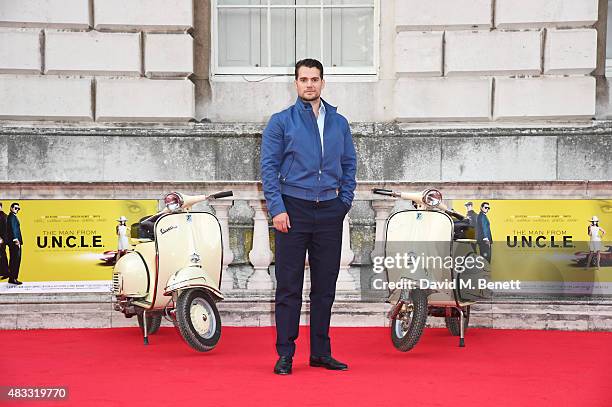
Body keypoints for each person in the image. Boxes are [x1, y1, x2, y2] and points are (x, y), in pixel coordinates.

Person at [261, 58, 357, 375]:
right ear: (296, 83)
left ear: (322, 82)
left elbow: (349, 166)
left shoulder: (339, 123)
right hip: (293, 210)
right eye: (303, 79)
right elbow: (269, 170)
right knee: (288, 286)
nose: (309, 84)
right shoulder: (280, 122)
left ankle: (320, 352)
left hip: (330, 211)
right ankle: (286, 354)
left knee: (324, 287)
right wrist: (277, 208)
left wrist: (343, 202)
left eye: (314, 79)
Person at [7, 202, 23, 285]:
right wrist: (16, 240)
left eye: (18, 209)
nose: (17, 210)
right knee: (15, 260)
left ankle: (12, 278)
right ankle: (13, 278)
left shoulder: (12, 217)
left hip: (14, 242)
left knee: (14, 260)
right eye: (16, 208)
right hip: (15, 243)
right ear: (11, 208)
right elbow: (13, 229)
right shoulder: (12, 217)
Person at [0, 203, 9, 280]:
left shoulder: (4, 216)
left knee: (2, 256)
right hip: (1, 239)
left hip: (1, 240)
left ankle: (6, 272)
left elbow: (6, 230)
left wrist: (2, 239)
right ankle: (3, 272)